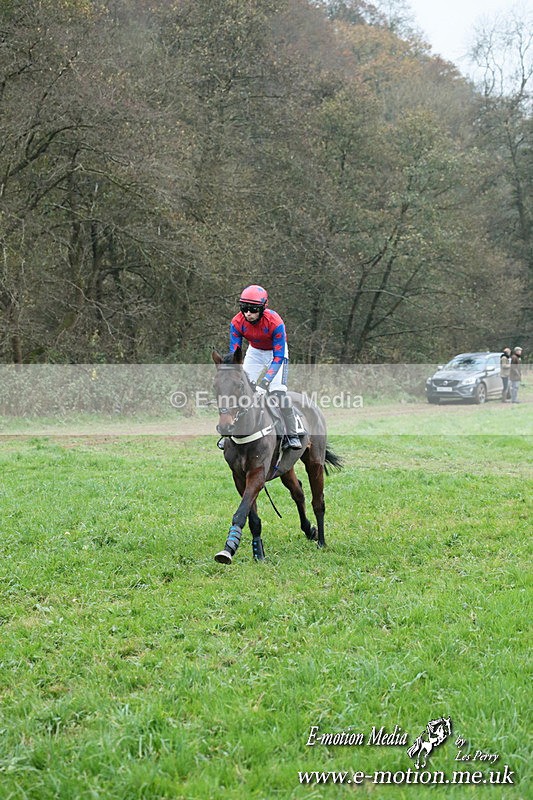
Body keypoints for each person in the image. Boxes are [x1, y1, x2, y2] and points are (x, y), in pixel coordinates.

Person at [229, 284, 301, 449]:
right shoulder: (237, 322)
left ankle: (292, 434)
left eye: (253, 309)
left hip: (276, 354)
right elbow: (235, 355)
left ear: (262, 308)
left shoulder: (275, 322)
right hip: (254, 352)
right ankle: (230, 432)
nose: (248, 313)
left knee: (278, 391)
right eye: (244, 308)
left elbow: (278, 357)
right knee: (240, 389)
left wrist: (264, 382)